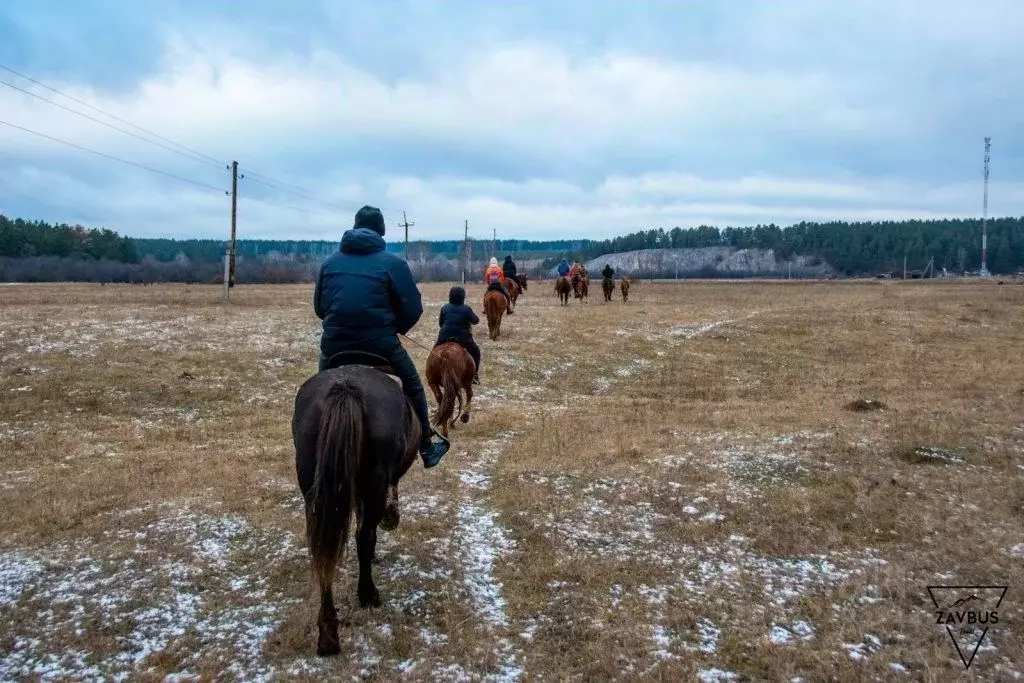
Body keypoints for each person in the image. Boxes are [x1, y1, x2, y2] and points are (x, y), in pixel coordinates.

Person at [313, 205, 450, 468]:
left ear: (354, 227)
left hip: (335, 345)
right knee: (412, 382)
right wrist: (395, 327)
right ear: (381, 232)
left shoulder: (329, 263)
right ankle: (426, 445)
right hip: (381, 344)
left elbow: (320, 308)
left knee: (319, 384)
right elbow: (413, 308)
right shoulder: (393, 263)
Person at [435, 285, 481, 385]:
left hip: (445, 335)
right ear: (462, 297)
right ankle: (474, 375)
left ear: (450, 296)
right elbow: (475, 321)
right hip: (463, 337)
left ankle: (431, 372)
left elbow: (440, 324)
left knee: (433, 352)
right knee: (476, 352)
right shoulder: (466, 309)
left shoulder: (444, 308)